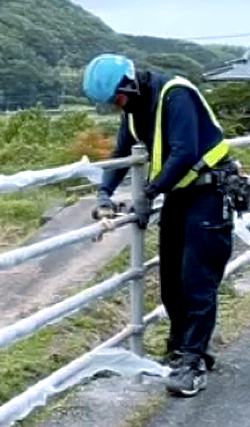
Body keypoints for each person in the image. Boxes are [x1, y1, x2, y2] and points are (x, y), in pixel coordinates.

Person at [83, 53, 241, 397]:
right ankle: (180, 346)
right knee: (170, 280)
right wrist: (104, 193)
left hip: (209, 193)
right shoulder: (134, 109)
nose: (117, 106)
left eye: (118, 98)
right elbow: (122, 152)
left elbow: (184, 152)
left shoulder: (176, 94)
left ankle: (193, 361)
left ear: (131, 85)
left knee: (196, 281)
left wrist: (148, 194)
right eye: (112, 103)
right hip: (179, 196)